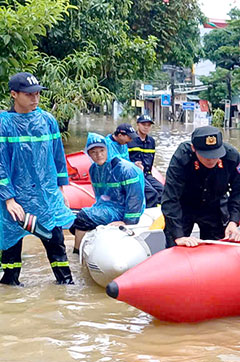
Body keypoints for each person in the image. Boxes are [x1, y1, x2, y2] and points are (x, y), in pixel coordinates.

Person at [0, 72, 74, 285]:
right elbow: (1, 165)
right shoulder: (3, 124)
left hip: (45, 194)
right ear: (14, 94)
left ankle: (65, 285)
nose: (35, 98)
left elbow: (58, 157)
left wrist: (61, 190)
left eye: (38, 94)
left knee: (55, 240)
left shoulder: (47, 121)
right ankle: (10, 284)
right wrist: (9, 199)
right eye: (29, 94)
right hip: (15, 196)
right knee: (12, 246)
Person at [161, 126, 240, 247]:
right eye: (206, 156)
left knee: (216, 249)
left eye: (215, 155)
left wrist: (233, 221)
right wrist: (178, 236)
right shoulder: (182, 157)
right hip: (184, 205)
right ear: (193, 149)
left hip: (214, 205)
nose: (212, 160)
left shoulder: (231, 157)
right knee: (174, 244)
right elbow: (170, 197)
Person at [69, 133, 146, 251]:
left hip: (122, 210)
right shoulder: (94, 169)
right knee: (74, 223)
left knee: (82, 217)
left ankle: (76, 251)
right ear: (88, 154)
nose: (98, 155)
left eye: (101, 150)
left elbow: (135, 198)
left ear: (107, 149)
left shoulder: (126, 170)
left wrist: (127, 222)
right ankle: (81, 249)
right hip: (108, 207)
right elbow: (100, 195)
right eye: (93, 152)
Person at [129, 114, 163, 207]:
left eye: (148, 125)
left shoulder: (151, 141)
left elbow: (151, 159)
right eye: (143, 124)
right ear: (138, 125)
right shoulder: (130, 140)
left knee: (162, 190)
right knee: (151, 193)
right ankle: (147, 214)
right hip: (135, 173)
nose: (146, 127)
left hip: (147, 174)